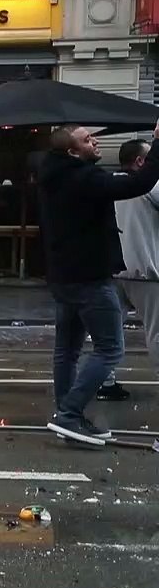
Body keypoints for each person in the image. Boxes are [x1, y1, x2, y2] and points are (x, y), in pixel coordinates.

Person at [38, 123, 159, 446]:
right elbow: (141, 182)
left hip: (64, 276)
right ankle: (70, 413)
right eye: (87, 139)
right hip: (90, 276)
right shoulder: (84, 178)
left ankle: (67, 416)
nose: (95, 141)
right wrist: (158, 144)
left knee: (67, 350)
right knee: (110, 349)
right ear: (72, 151)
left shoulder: (54, 175)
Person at [109, 138, 159, 401]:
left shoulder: (109, 182)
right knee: (156, 330)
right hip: (146, 269)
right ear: (140, 161)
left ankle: (106, 381)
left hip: (113, 268)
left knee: (109, 331)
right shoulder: (151, 185)